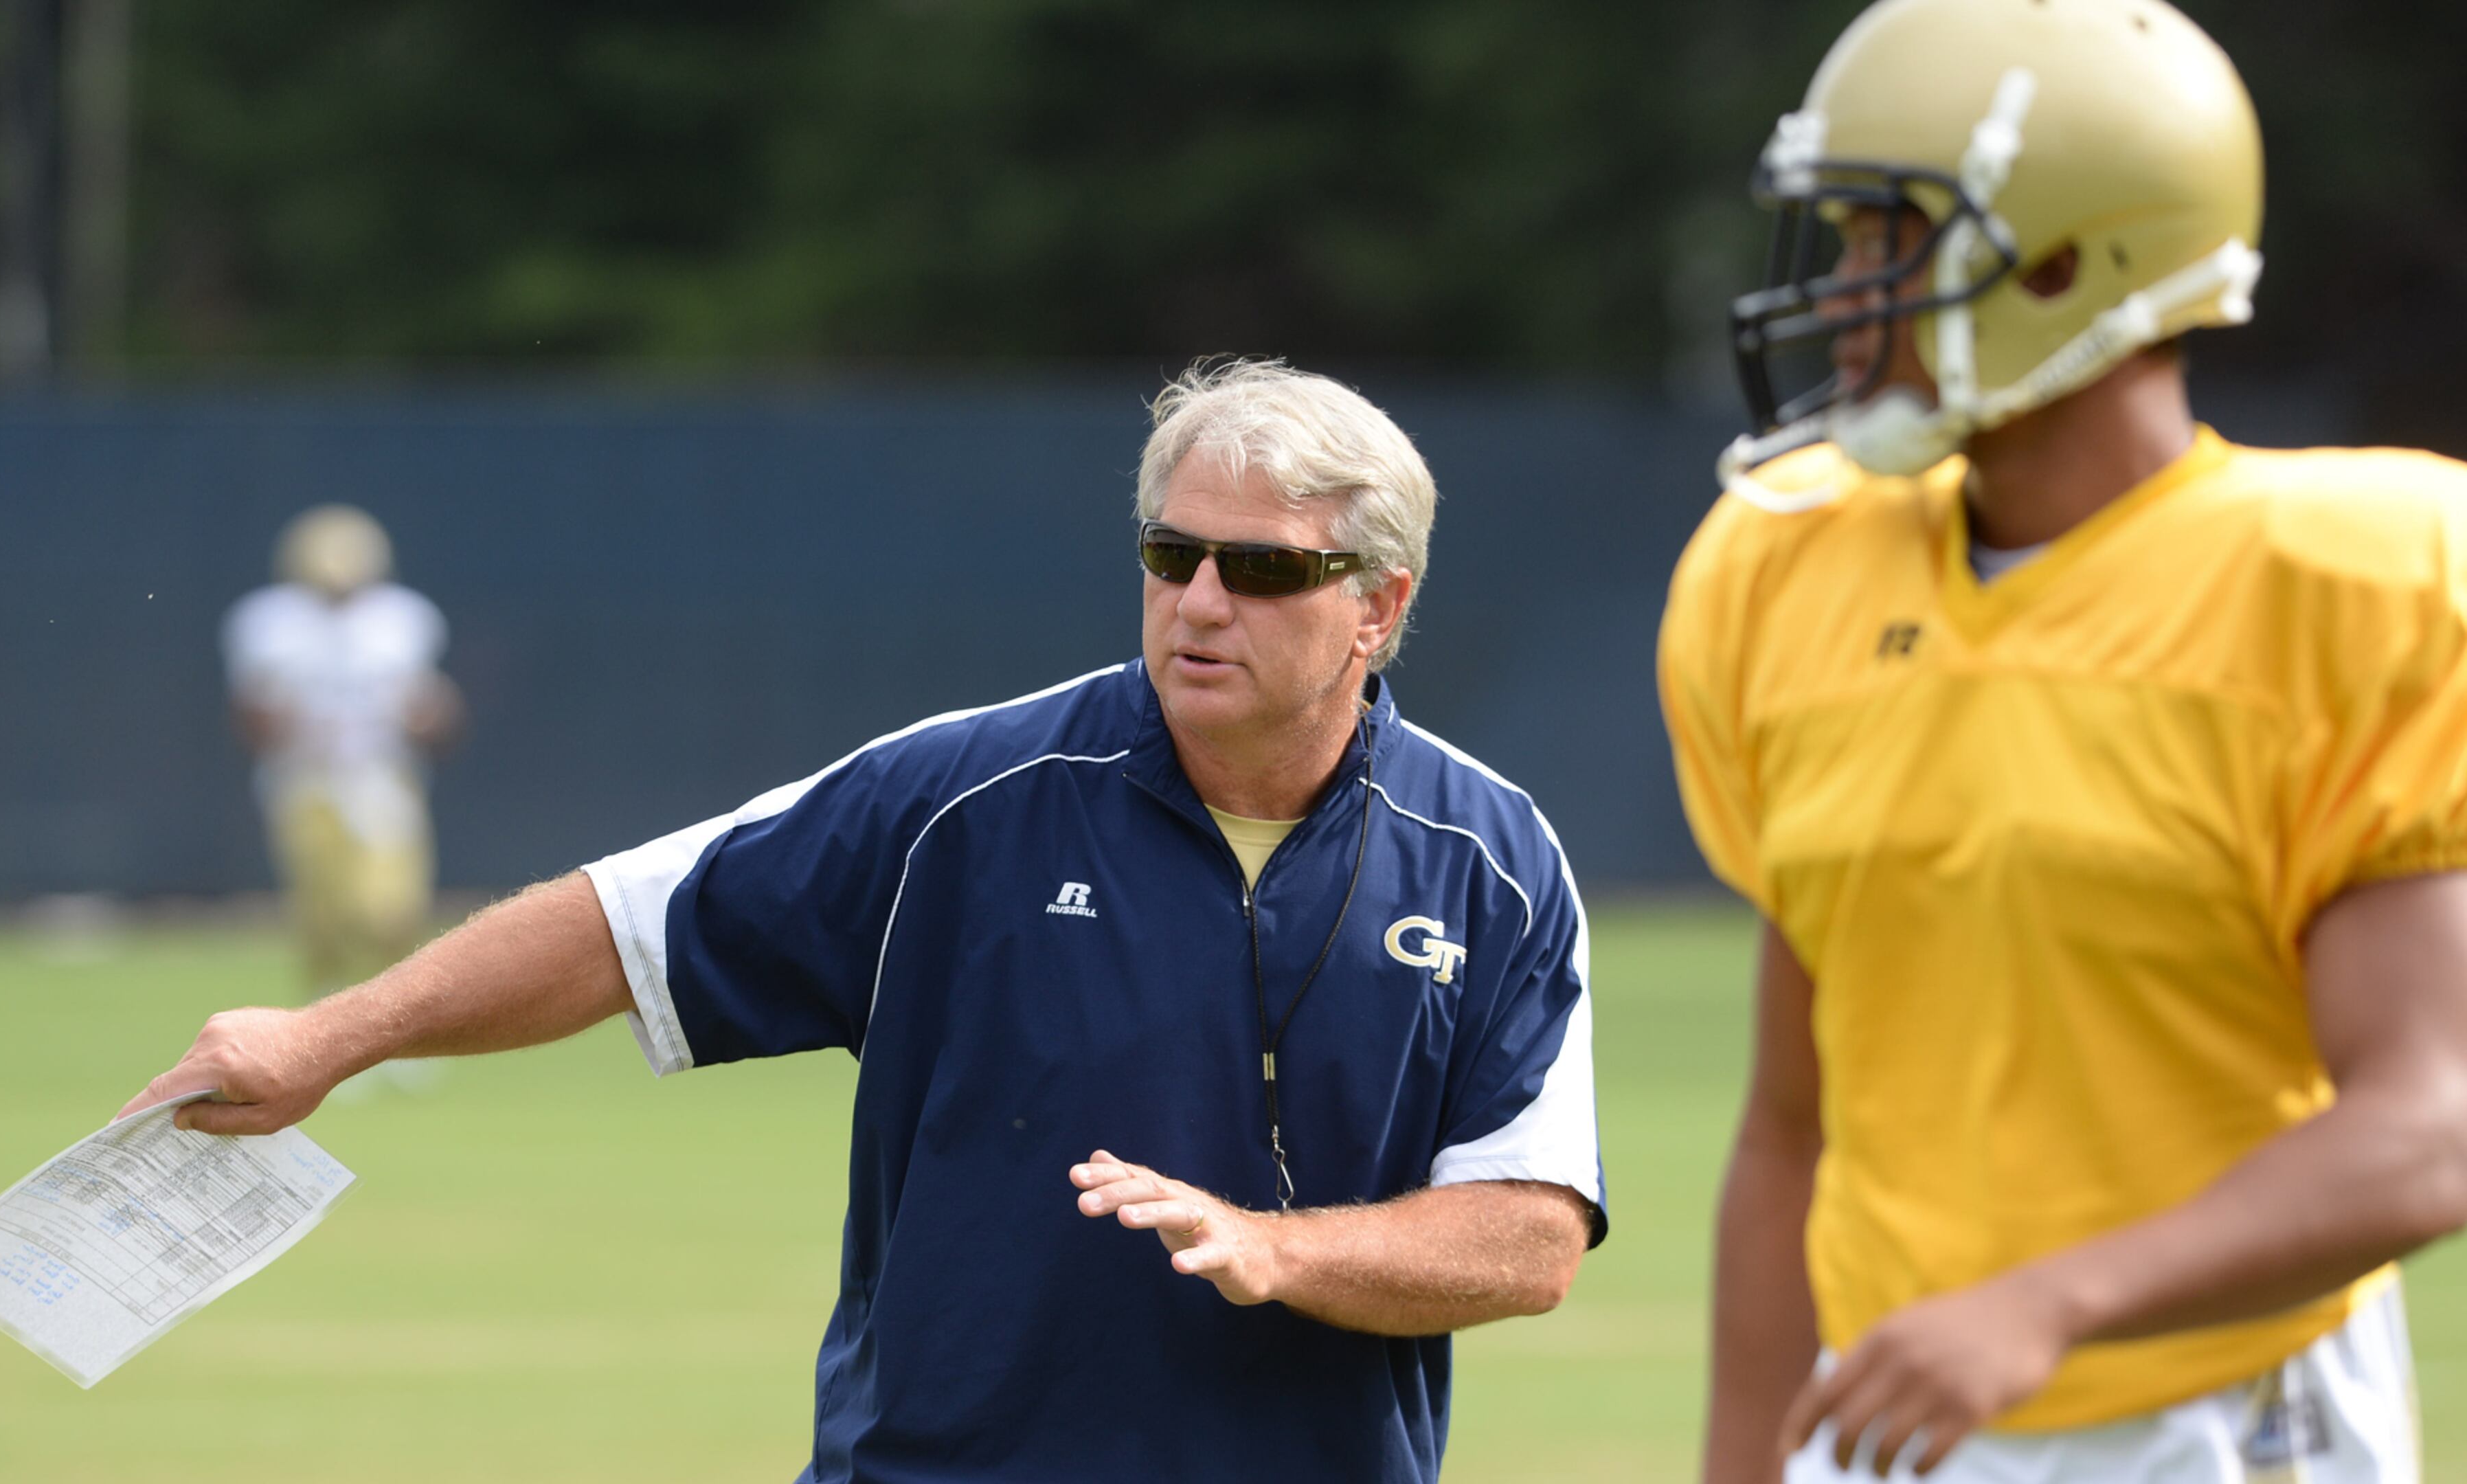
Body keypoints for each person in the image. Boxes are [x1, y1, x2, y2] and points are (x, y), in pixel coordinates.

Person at [132, 361, 1604, 1483]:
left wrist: (1283, 1253)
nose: (1201, 600)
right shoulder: (965, 797)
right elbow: (622, 924)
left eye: (1265, 568)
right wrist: (330, 1034)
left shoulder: (1494, 862)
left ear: (1378, 607)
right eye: (1172, 556)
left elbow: (1529, 1238)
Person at [1660, 1, 2467, 1479]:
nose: (1842, 295)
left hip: (2226, 1419)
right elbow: (1792, 1131)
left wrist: (2052, 1302)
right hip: (1892, 1413)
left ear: (2058, 259)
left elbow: (2433, 1121)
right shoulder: (1780, 572)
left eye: (1881, 241)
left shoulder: (2353, 582)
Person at [223, 505, 462, 1006]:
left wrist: (422, 717)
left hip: (380, 777)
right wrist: (289, 721)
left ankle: (400, 1017)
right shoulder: (269, 622)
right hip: (305, 779)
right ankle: (326, 1013)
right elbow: (251, 717)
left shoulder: (402, 619)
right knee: (323, 917)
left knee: (389, 910)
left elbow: (437, 710)